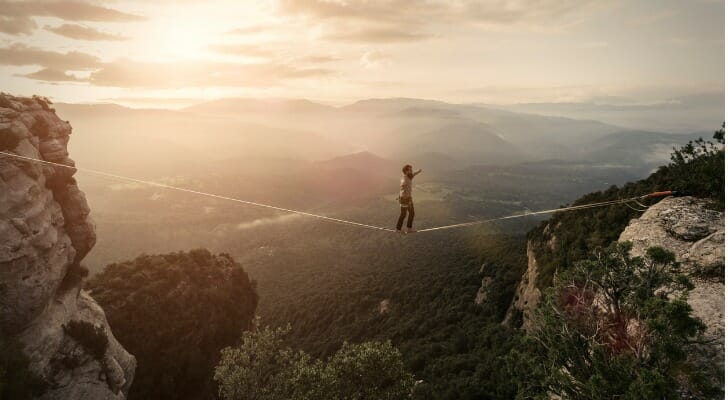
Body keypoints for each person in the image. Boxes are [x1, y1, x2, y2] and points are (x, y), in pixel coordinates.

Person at [396, 164, 422, 233]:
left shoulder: (409, 177)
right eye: (410, 170)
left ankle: (407, 228)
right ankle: (399, 229)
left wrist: (419, 171)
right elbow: (403, 186)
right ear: (406, 171)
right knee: (404, 214)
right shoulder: (405, 179)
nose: (412, 171)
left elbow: (413, 174)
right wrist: (406, 199)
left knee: (411, 213)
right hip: (405, 199)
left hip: (407, 199)